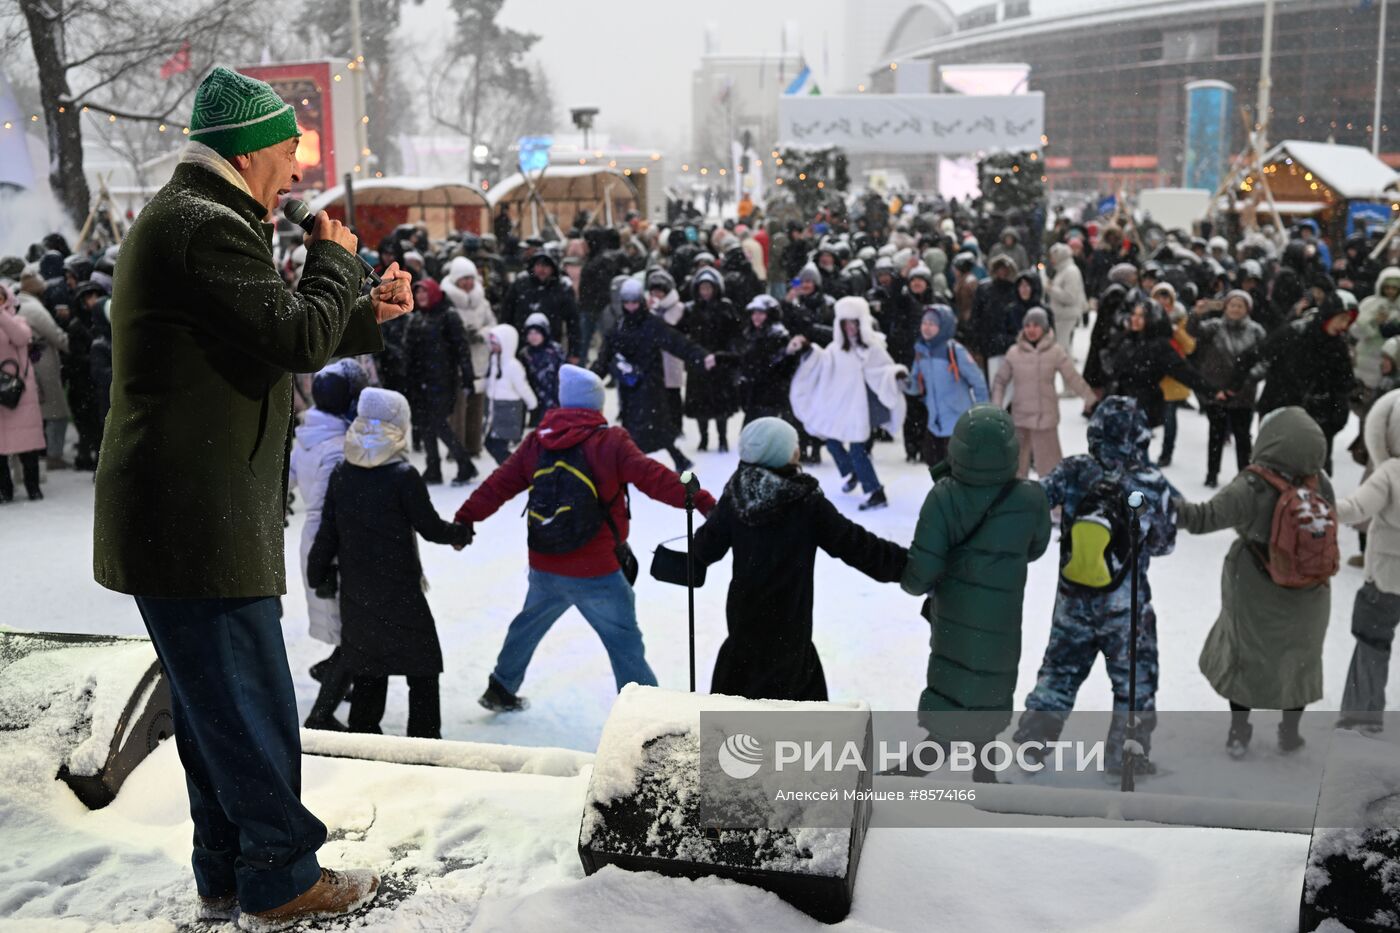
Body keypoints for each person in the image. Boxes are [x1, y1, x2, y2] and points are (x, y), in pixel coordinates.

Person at [92, 67, 409, 926]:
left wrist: (365, 307)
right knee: (251, 703)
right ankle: (279, 876)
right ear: (249, 146)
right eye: (288, 142)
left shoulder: (202, 221)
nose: (299, 160)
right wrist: (337, 262)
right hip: (194, 514)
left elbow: (266, 332)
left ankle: (228, 867)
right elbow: (297, 336)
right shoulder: (203, 227)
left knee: (213, 711)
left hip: (183, 512)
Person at [455, 365, 717, 711]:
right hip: (597, 568)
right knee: (623, 640)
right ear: (596, 404)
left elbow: (498, 484)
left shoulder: (538, 441)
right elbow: (652, 476)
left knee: (527, 625)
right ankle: (647, 711)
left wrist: (466, 518)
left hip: (547, 562)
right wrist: (702, 501)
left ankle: (501, 688)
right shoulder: (609, 441)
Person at [691, 418, 907, 700]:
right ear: (777, 453)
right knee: (798, 729)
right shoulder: (804, 501)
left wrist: (690, 553)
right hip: (789, 638)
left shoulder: (737, 494)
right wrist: (909, 564)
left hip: (744, 634)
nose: (798, 450)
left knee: (737, 723)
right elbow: (856, 545)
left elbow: (705, 549)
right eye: (792, 446)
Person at [1015, 397, 1177, 775]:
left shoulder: (1073, 470)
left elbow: (1035, 502)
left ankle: (1032, 744)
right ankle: (1127, 755)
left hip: (1073, 602)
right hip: (1127, 611)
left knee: (1058, 674)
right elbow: (1165, 542)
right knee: (1134, 685)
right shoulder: (1151, 483)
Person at [306, 388, 471, 739]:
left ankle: (365, 738)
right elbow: (428, 527)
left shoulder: (342, 472)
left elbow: (328, 531)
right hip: (400, 590)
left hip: (358, 592)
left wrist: (316, 570)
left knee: (369, 666)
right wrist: (458, 534)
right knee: (423, 666)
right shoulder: (402, 476)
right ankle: (425, 743)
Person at [901, 405, 1052, 782]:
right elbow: (1036, 548)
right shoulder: (1031, 497)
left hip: (954, 610)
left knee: (953, 672)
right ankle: (985, 764)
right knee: (992, 674)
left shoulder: (944, 497)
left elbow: (919, 574)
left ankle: (934, 748)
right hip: (1003, 611)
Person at [1176, 407, 1335, 756]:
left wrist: (1158, 504)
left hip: (1256, 589)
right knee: (1298, 661)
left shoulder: (1253, 485)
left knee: (1246, 657)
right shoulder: (1319, 482)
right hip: (1311, 593)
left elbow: (1203, 519)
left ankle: (1239, 731)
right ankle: (1289, 733)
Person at [290, 359, 368, 732]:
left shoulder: (310, 434)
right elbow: (334, 507)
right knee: (355, 631)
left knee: (348, 626)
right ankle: (322, 715)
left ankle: (333, 670)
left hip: (318, 540)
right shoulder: (338, 445)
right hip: (332, 544)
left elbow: (286, 481)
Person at [788, 296, 908, 511]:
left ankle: (875, 492)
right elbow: (822, 363)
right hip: (841, 407)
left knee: (857, 450)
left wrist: (896, 374)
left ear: (862, 323)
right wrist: (807, 347)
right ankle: (851, 473)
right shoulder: (836, 349)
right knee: (832, 441)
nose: (850, 327)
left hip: (861, 410)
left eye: (854, 322)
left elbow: (884, 369)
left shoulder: (871, 348)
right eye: (845, 323)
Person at [594, 279, 716, 472]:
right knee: (636, 429)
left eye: (634, 302)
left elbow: (677, 342)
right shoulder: (619, 326)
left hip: (651, 386)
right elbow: (604, 357)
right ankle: (642, 464)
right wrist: (589, 379)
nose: (631, 306)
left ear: (641, 302)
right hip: (629, 387)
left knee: (655, 427)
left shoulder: (652, 324)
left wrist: (700, 356)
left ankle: (653, 462)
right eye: (627, 302)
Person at [1235, 291, 1358, 474]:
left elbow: (1344, 384)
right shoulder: (1294, 333)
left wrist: (1335, 417)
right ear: (1328, 315)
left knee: (1309, 479)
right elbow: (1255, 354)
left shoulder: (1338, 345)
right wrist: (1234, 384)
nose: (1344, 325)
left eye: (1348, 321)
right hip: (1280, 412)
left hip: (1316, 423)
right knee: (1272, 470)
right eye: (1341, 318)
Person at [1336, 389, 1400, 732]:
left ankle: (1362, 716)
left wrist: (1323, 507)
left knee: (1372, 642)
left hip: (1388, 578)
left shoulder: (1391, 471)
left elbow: (1358, 507)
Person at [992, 308, 1096, 479]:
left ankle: (1053, 505)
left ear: (1045, 328)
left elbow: (1072, 378)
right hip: (1020, 419)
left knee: (1051, 471)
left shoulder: (1055, 352)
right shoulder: (1014, 352)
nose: (1031, 330)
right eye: (1027, 325)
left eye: (1036, 326)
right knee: (1016, 471)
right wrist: (996, 406)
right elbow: (1000, 381)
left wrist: (1091, 399)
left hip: (1045, 420)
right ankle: (1018, 504)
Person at [1188, 289, 1266, 487]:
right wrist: (1196, 313)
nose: (1235, 309)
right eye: (1232, 305)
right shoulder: (1214, 327)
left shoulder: (1256, 331)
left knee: (1243, 438)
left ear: (1247, 309)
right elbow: (1193, 330)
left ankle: (1245, 474)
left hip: (1244, 394)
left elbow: (1265, 361)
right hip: (1217, 391)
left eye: (1240, 306)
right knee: (1216, 434)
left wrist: (1249, 378)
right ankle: (1212, 473)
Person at [405, 278, 476, 486]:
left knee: (438, 423)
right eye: (418, 293)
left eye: (425, 293)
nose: (421, 297)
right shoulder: (416, 318)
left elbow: (462, 348)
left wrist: (467, 376)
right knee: (425, 424)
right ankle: (433, 467)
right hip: (420, 381)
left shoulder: (448, 316)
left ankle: (464, 462)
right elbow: (409, 352)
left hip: (443, 380)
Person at [905, 305, 987, 468]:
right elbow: (916, 386)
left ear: (943, 327)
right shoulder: (921, 351)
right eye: (924, 323)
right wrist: (903, 382)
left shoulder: (955, 351)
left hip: (958, 423)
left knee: (958, 469)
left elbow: (978, 382)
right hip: (935, 424)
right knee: (935, 465)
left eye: (932, 324)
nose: (926, 327)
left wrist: (982, 413)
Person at [11, 278, 70, 470]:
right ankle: (54, 455)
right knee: (57, 412)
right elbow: (55, 335)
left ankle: (33, 455)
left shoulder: (19, 305)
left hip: (27, 365)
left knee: (34, 413)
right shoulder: (35, 310)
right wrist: (73, 345)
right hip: (44, 365)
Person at [440, 255, 495, 461]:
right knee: (458, 407)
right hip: (456, 362)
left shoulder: (483, 302)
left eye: (471, 278)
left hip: (479, 359)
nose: (468, 283)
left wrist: (480, 333)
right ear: (455, 280)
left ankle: (473, 446)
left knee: (476, 405)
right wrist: (461, 336)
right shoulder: (447, 302)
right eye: (464, 279)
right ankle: (457, 449)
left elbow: (493, 324)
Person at [682, 266, 742, 451]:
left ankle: (722, 438)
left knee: (720, 404)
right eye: (702, 288)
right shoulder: (691, 309)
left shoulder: (726, 308)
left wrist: (725, 356)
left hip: (720, 362)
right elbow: (684, 333)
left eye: (709, 288)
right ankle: (704, 437)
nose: (706, 292)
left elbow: (734, 333)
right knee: (700, 404)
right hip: (698, 363)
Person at [0, 282, 44, 502]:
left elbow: (20, 337)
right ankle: (4, 490)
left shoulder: (18, 320)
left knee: (28, 447)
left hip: (20, 391)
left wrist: (1, 314)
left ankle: (32, 488)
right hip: (1, 393)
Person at [736, 295, 799, 426]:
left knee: (765, 431)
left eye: (761, 313)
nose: (756, 317)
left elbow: (782, 365)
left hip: (771, 394)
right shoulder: (750, 333)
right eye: (754, 313)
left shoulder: (778, 335)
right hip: (753, 392)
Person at [482, 323, 537, 465]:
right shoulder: (493, 361)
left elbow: (522, 387)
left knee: (496, 445)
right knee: (491, 444)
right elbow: (488, 382)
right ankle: (510, 468)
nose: (492, 347)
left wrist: (532, 404)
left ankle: (512, 469)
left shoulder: (513, 366)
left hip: (509, 410)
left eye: (496, 343)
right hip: (495, 410)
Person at [1354, 266, 1400, 393]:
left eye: (1394, 288)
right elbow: (1355, 328)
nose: (1390, 291)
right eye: (1387, 287)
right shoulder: (1369, 303)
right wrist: (1373, 325)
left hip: (1389, 360)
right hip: (1365, 356)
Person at [1046, 242, 1088, 366]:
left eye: (1053, 256)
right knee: (1063, 351)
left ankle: (1069, 381)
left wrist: (1051, 289)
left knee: (1062, 351)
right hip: (1061, 315)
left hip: (1066, 315)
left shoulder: (1071, 272)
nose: (1051, 260)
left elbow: (1070, 297)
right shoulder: (1063, 270)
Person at [520, 312, 565, 418]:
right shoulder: (525, 354)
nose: (533, 336)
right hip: (535, 401)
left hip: (554, 400)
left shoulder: (556, 351)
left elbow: (561, 376)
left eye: (537, 333)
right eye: (530, 333)